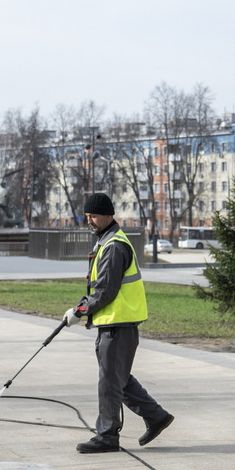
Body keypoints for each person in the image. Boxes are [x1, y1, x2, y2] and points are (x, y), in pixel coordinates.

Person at [63, 193, 174, 453]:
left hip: (118, 324)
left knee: (110, 382)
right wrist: (81, 306)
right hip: (114, 324)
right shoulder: (107, 241)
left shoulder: (113, 246)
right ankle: (156, 416)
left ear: (108, 215)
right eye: (87, 216)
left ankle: (107, 436)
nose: (89, 220)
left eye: (93, 216)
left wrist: (79, 311)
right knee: (117, 378)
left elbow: (105, 291)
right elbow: (100, 287)